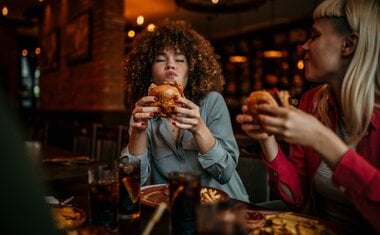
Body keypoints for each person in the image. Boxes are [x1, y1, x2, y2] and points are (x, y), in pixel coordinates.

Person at [236, 0, 379, 234]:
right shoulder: (312, 102)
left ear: (349, 44)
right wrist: (267, 138)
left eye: (314, 36)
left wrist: (320, 138)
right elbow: (298, 199)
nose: (303, 47)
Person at [121, 20, 248, 202]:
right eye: (160, 59)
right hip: (173, 207)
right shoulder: (143, 110)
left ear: (192, 69)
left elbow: (225, 172)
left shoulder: (212, 102)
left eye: (180, 59)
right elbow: (131, 182)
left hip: (224, 207)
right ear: (148, 72)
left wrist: (199, 128)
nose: (171, 65)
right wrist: (138, 133)